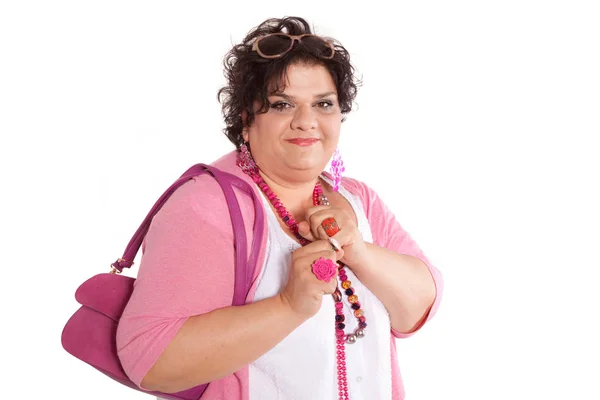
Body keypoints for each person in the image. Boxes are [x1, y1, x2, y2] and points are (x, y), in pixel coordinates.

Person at [116, 16, 443, 400]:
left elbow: (418, 309)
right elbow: (149, 361)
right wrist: (288, 306)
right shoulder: (206, 205)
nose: (307, 122)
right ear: (246, 119)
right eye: (282, 104)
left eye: (323, 103)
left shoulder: (358, 199)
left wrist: (358, 252)